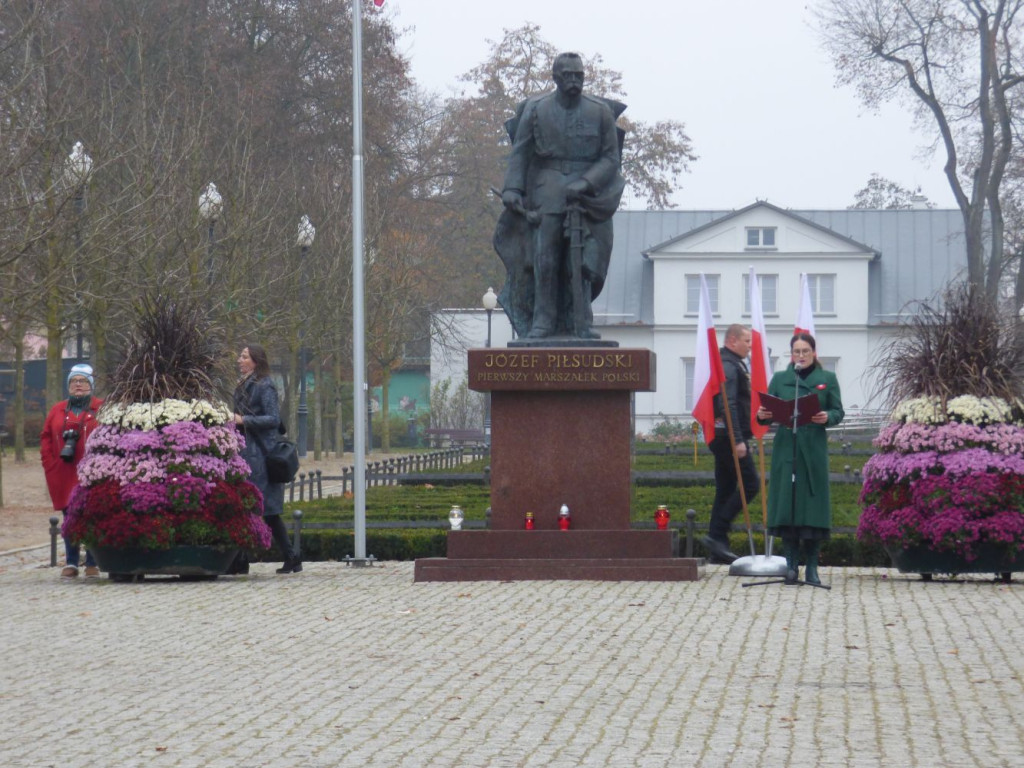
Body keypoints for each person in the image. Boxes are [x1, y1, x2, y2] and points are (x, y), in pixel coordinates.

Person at [495, 51, 626, 340]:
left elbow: (610, 159)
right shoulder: (537, 109)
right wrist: (513, 188)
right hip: (547, 189)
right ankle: (543, 322)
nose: (574, 80)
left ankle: (581, 322)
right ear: (555, 77)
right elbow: (522, 150)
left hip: (588, 195)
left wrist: (586, 183)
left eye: (579, 75)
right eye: (567, 75)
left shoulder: (599, 111)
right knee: (546, 258)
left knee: (583, 261)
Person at [757, 333, 844, 585]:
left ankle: (813, 568)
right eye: (797, 351)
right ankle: (791, 566)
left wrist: (827, 416)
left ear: (814, 353)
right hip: (787, 450)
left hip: (813, 451)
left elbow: (839, 411)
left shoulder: (827, 379)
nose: (801, 356)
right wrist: (763, 414)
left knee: (813, 509)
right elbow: (765, 415)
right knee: (788, 507)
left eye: (806, 351)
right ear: (791, 354)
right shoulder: (782, 379)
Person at [233, 344, 301, 574]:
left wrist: (243, 421)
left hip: (261, 456)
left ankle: (242, 559)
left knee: (258, 509)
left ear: (256, 361)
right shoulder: (244, 384)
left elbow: (273, 419)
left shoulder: (265, 385)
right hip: (247, 453)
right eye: (241, 356)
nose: (239, 360)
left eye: (244, 357)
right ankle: (290, 558)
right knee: (263, 511)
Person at [701, 324, 759, 564]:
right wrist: (738, 440)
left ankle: (717, 546)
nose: (750, 346)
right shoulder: (729, 366)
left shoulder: (731, 363)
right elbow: (729, 404)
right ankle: (717, 534)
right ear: (732, 341)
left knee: (725, 488)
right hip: (729, 438)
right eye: (747, 341)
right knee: (751, 484)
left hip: (723, 436)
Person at [41, 363, 103, 579]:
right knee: (69, 517)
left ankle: (93, 561)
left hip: (94, 472)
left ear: (91, 385)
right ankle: (71, 561)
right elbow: (46, 437)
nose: (78, 385)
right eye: (74, 381)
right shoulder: (57, 409)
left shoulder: (101, 408)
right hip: (64, 471)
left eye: (83, 381)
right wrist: (50, 463)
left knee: (93, 514)